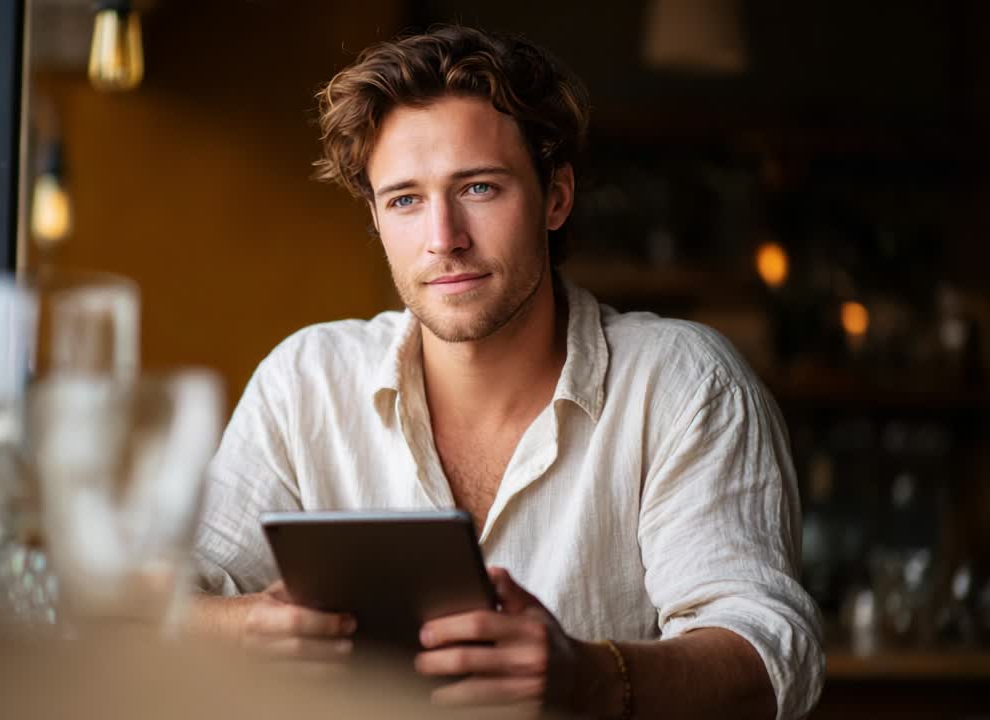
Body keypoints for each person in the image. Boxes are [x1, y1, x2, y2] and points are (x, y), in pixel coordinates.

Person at [189, 25, 823, 720]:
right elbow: (152, 605)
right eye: (404, 200)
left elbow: (769, 654)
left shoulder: (683, 386)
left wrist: (590, 678)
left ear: (556, 198)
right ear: (375, 217)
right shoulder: (304, 383)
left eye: (480, 188)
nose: (444, 237)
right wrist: (244, 629)